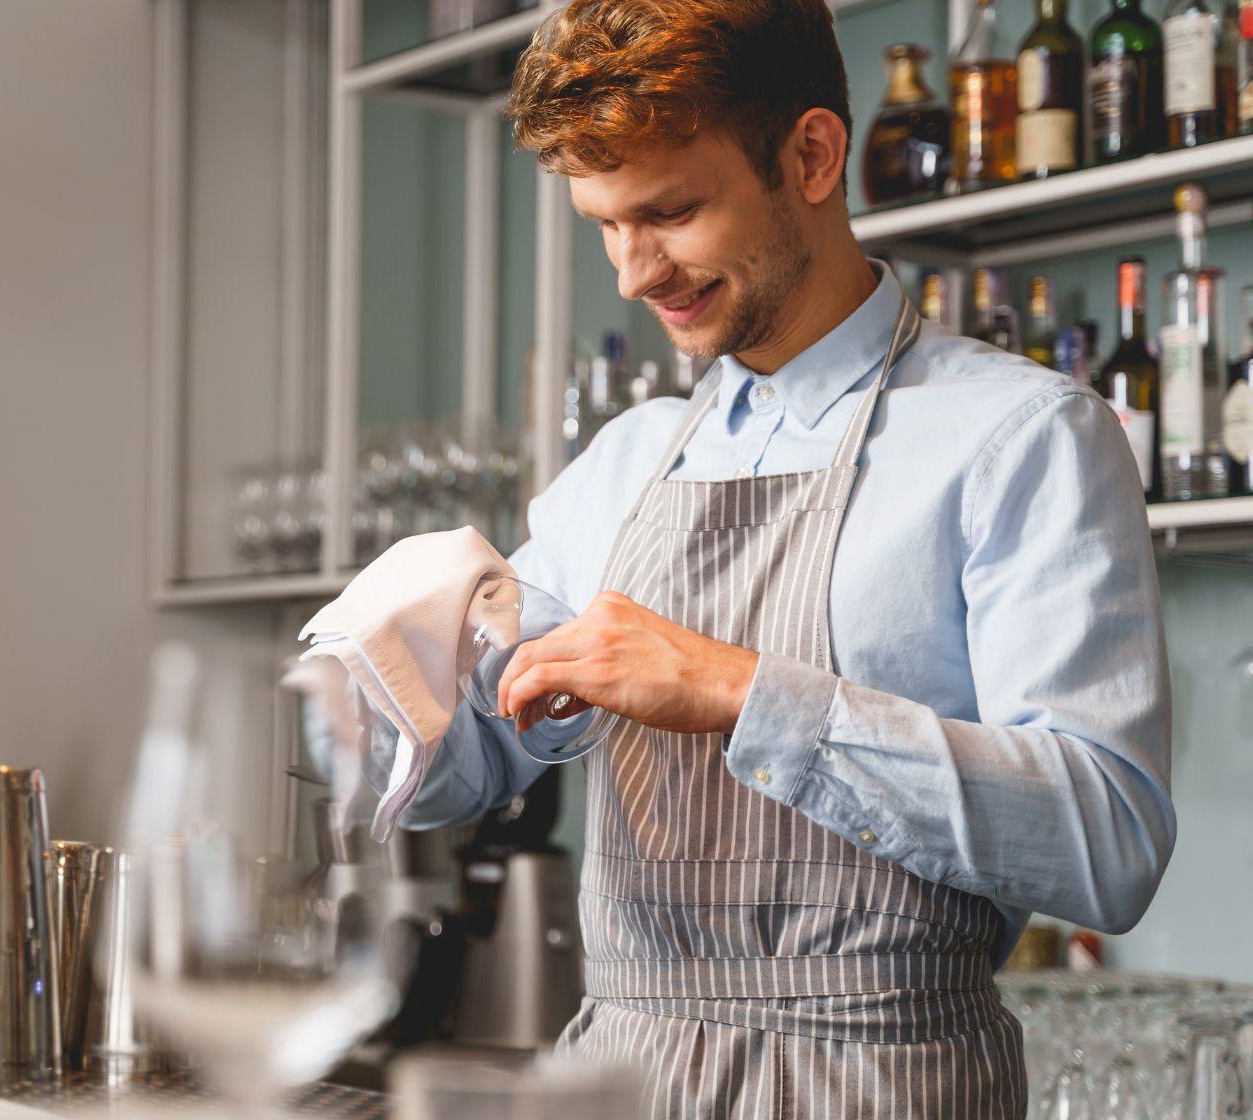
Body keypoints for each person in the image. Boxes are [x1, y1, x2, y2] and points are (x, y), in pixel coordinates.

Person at [403, 1, 1175, 1115]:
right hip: (617, 1081)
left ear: (812, 154)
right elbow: (459, 773)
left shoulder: (1025, 436)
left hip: (881, 1080)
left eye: (669, 211)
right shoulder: (619, 468)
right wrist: (376, 688)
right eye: (605, 225)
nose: (632, 273)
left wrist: (737, 692)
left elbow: (1108, 843)